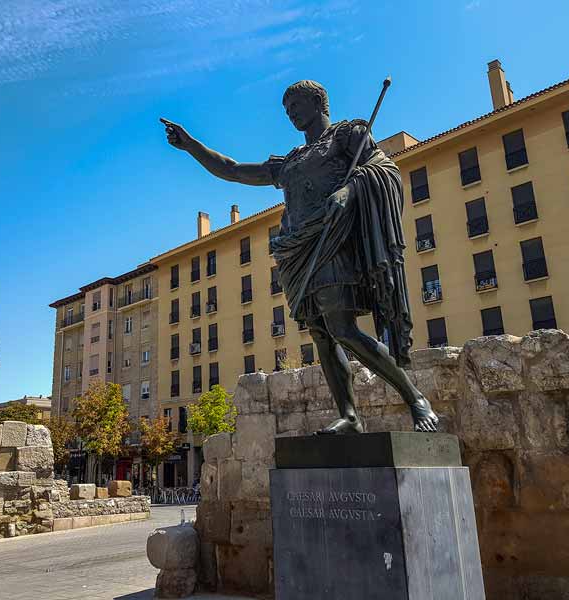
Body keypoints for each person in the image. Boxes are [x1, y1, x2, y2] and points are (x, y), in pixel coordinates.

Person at [160, 80, 438, 433]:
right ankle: (350, 416)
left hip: (332, 240)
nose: (289, 111)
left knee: (343, 327)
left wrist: (350, 191)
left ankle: (415, 397)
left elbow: (384, 170)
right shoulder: (289, 161)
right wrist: (192, 146)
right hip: (297, 251)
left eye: (295, 103)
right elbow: (231, 169)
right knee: (322, 334)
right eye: (286, 107)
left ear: (319, 102)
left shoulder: (346, 136)